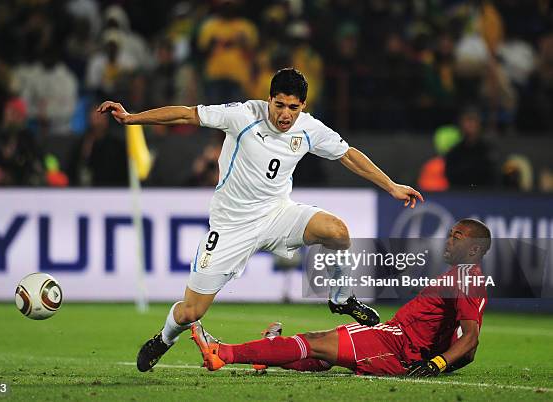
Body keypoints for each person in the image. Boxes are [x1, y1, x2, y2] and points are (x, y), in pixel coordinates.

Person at [97, 67, 424, 372]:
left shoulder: (308, 128)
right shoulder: (243, 115)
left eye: (293, 108)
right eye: (279, 105)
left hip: (277, 213)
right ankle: (165, 338)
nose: (285, 115)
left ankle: (340, 297)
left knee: (337, 232)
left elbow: (348, 154)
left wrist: (391, 186)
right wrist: (131, 119)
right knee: (190, 311)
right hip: (231, 226)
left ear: (303, 106)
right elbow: (186, 113)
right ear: (268, 99)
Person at [191, 218, 490, 377]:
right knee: (321, 356)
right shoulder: (467, 278)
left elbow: (471, 339)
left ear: (474, 248)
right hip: (398, 346)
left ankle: (222, 352)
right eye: (450, 233)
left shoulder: (466, 277)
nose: (448, 240)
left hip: (395, 343)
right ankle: (267, 354)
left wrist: (435, 364)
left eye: (457, 237)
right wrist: (438, 363)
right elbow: (468, 350)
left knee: (315, 342)